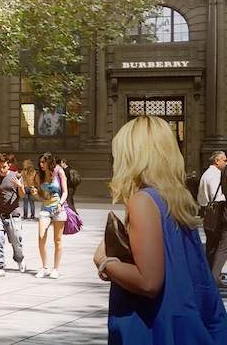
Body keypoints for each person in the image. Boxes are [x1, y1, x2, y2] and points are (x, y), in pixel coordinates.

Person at [98, 114, 227, 343]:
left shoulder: (143, 201)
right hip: (188, 324)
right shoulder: (175, 199)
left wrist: (105, 262)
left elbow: (149, 282)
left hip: (156, 330)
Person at [0, 153, 26, 277]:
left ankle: (19, 259)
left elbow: (22, 195)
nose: (1, 169)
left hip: (13, 215)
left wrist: (20, 186)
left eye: (3, 166)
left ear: (8, 165)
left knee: (16, 241)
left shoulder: (16, 176)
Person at [32, 151, 68, 278]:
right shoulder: (39, 175)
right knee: (41, 237)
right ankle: (44, 267)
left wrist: (60, 204)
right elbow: (41, 197)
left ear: (50, 162)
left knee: (57, 240)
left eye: (44, 162)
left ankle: (56, 269)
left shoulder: (59, 171)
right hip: (45, 209)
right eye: (40, 162)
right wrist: (35, 193)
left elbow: (65, 192)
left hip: (59, 209)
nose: (41, 164)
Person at [198, 150, 227, 285]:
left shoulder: (206, 174)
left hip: (207, 213)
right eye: (224, 160)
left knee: (212, 246)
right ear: (217, 161)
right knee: (221, 245)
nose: (226, 163)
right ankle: (214, 277)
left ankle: (209, 275)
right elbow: (218, 198)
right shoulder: (215, 175)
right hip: (216, 214)